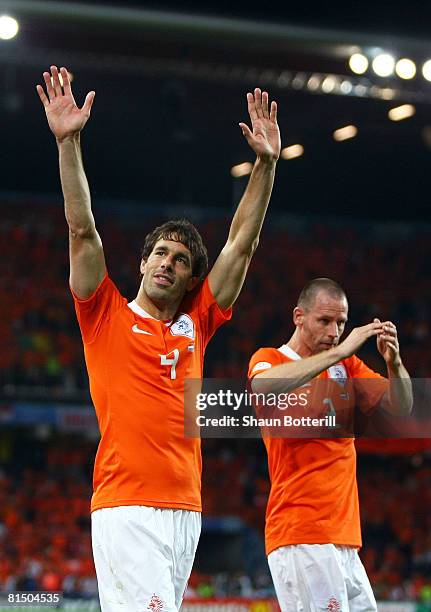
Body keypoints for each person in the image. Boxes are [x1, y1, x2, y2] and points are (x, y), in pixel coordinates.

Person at [36, 65, 281, 612]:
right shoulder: (103, 314)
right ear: (143, 263)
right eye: (161, 254)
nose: (168, 264)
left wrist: (265, 165)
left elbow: (242, 244)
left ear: (193, 277)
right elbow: (82, 229)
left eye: (181, 260)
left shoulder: (199, 320)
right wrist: (68, 143)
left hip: (186, 510)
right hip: (127, 506)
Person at [248, 277, 412, 612]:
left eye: (341, 323)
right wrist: (340, 351)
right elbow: (262, 389)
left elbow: (403, 408)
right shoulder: (270, 359)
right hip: (301, 531)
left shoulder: (345, 367)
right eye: (324, 321)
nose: (334, 332)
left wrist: (394, 362)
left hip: (345, 537)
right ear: (299, 316)